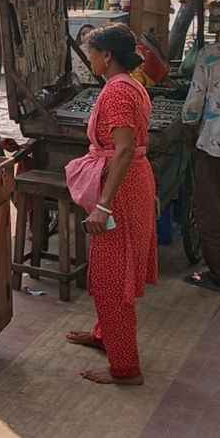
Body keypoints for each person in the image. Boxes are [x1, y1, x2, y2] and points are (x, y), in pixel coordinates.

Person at [64, 24, 158, 385]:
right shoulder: (130, 84)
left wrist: (103, 205)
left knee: (111, 278)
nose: (89, 59)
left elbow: (122, 151)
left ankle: (125, 368)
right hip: (129, 184)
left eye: (91, 53)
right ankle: (105, 336)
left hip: (121, 191)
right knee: (110, 269)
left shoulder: (118, 92)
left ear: (107, 56)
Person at [183, 0, 220, 294]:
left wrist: (189, 122)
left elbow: (192, 107)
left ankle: (218, 275)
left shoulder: (211, 54)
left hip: (218, 142)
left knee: (213, 208)